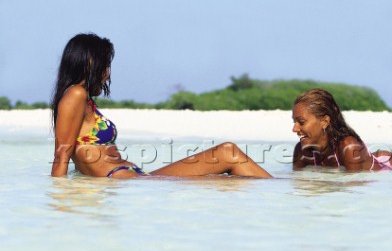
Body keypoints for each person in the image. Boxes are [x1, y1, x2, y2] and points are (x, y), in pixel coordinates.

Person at [51, 33, 272, 179]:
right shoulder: (75, 95)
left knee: (235, 182)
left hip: (136, 179)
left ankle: (289, 193)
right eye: (105, 64)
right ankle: (290, 192)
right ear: (90, 63)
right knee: (228, 152)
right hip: (130, 183)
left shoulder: (82, 98)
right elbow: (62, 155)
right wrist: (57, 203)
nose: (107, 72)